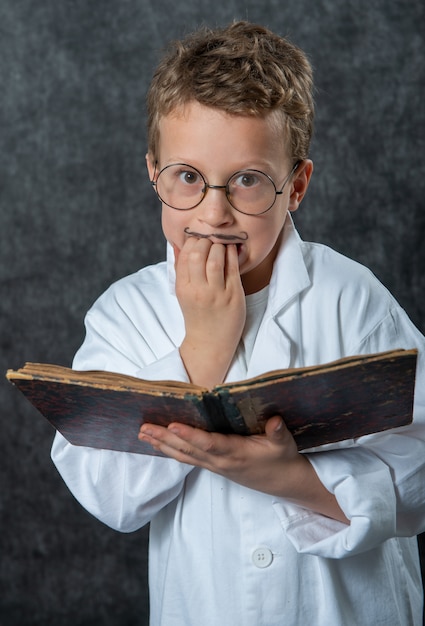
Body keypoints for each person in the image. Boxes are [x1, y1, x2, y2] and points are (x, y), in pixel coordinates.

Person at [51, 20, 425, 625]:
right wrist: (202, 347)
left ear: (296, 185)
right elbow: (105, 491)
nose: (214, 212)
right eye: (188, 177)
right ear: (154, 174)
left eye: (248, 179)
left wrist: (295, 479)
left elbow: (421, 462)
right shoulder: (126, 311)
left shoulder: (351, 298)